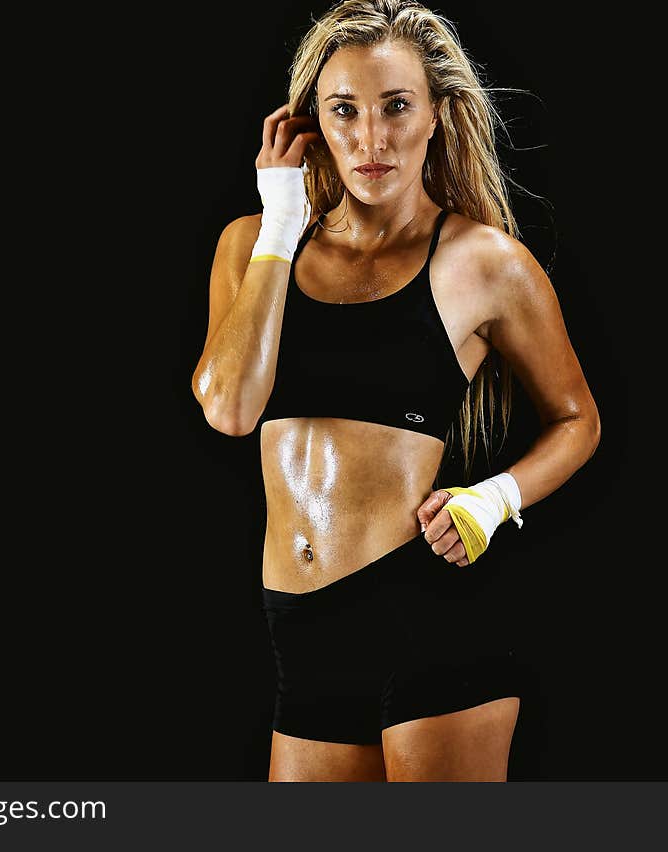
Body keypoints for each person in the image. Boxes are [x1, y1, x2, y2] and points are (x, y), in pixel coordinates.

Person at [191, 0, 600, 782]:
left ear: (438, 116)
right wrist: (282, 223)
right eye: (344, 111)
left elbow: (579, 420)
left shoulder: (483, 262)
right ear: (311, 122)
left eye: (397, 107)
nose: (371, 139)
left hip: (427, 617)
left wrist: (495, 498)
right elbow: (230, 409)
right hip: (302, 640)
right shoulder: (249, 244)